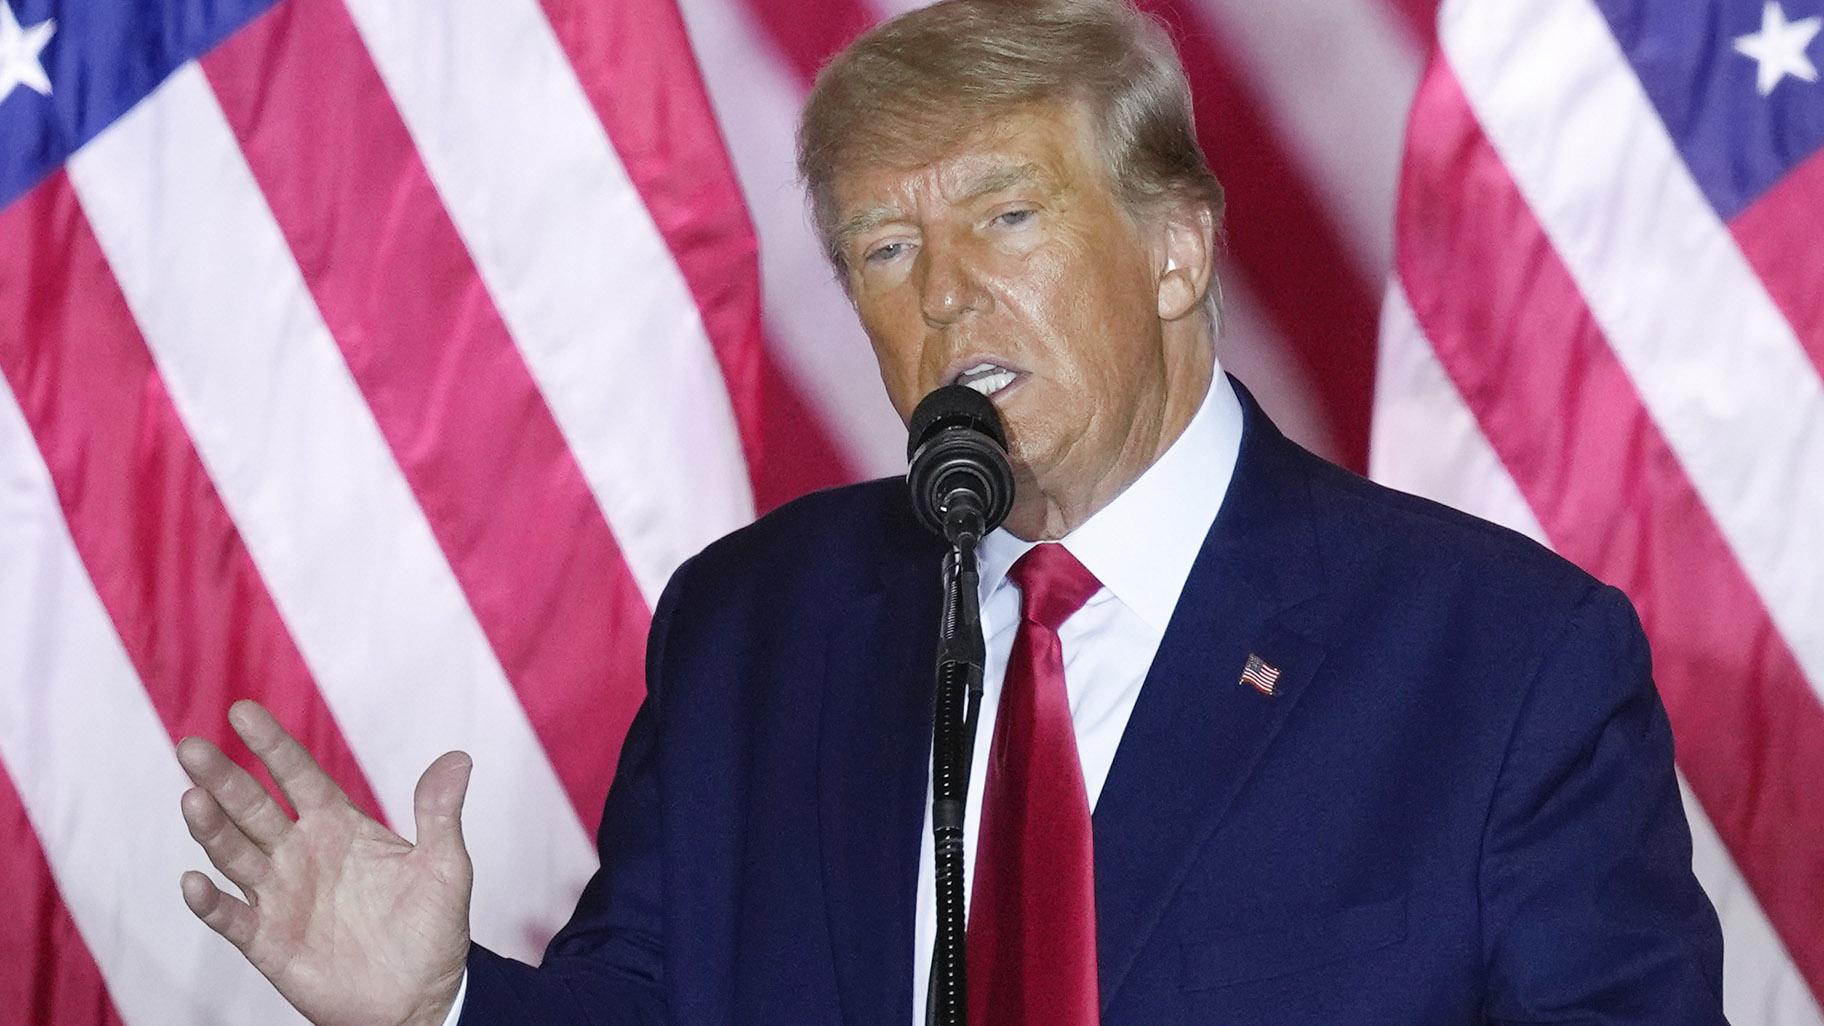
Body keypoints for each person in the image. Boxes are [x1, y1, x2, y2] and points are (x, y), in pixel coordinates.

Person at [173, 0, 1729, 1023]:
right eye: (884, 252)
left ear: (1177, 249)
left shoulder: (1506, 660)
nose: (948, 295)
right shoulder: (754, 625)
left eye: (1006, 214)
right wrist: (442, 995)